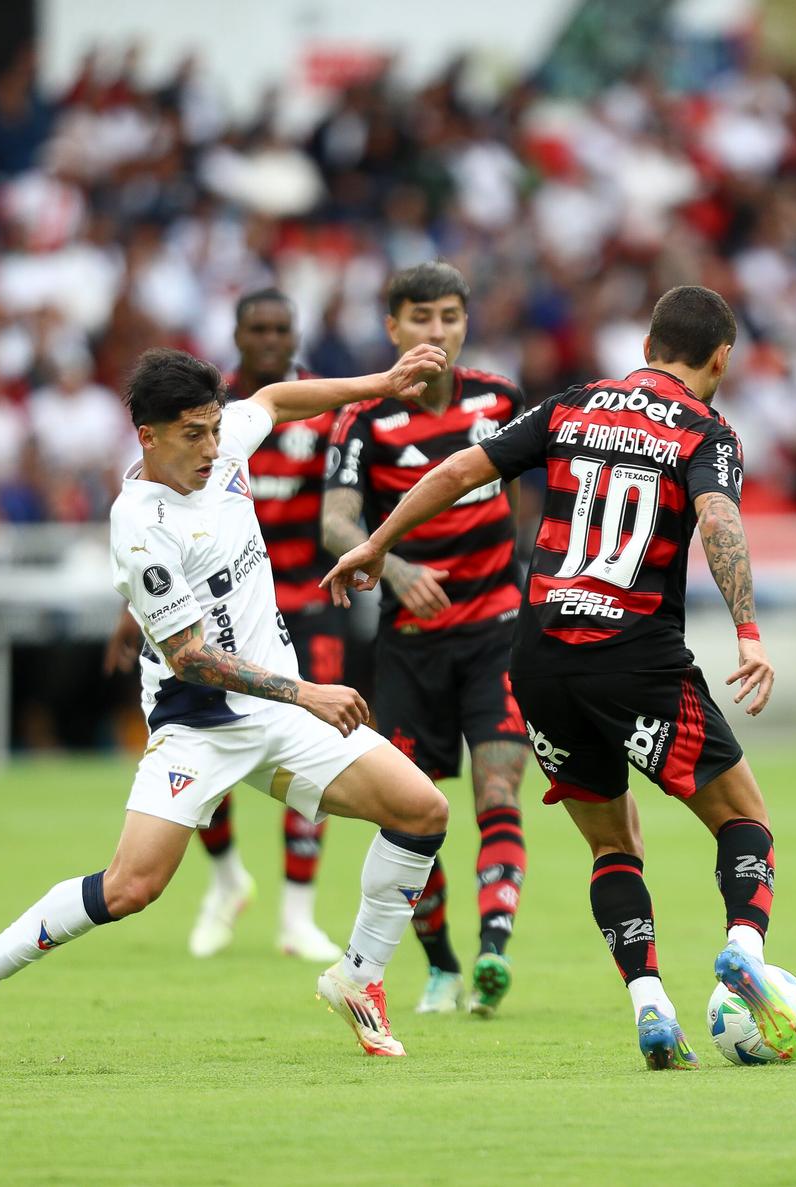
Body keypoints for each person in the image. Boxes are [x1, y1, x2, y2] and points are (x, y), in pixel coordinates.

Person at [0, 343, 451, 1066]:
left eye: (214, 428)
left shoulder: (223, 449)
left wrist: (380, 382)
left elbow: (274, 401)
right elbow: (190, 657)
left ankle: (358, 977)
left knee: (422, 811)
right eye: (193, 433)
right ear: (149, 436)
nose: (211, 445)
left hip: (282, 713)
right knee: (131, 887)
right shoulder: (141, 525)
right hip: (201, 722)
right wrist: (305, 691)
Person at [323, 285, 796, 1070]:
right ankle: (744, 947)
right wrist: (748, 632)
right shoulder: (706, 430)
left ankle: (650, 1004)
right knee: (743, 816)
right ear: (721, 358)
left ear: (647, 344)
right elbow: (719, 518)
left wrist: (378, 542)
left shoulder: (572, 405)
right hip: (636, 652)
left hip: (539, 654)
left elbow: (460, 470)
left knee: (613, 843)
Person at [105, 288, 343, 964]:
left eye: (281, 328)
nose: (271, 339)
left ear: (295, 335)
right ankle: (226, 876)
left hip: (305, 598)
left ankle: (297, 913)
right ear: (237, 336)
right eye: (258, 328)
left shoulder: (315, 410)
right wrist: (132, 612)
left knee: (318, 741)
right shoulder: (202, 409)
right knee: (211, 733)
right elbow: (165, 547)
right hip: (212, 611)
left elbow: (349, 493)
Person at [322, 261, 531, 1018]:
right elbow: (335, 522)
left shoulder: (500, 399)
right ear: (393, 327)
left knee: (499, 788)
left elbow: (523, 500)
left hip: (498, 631)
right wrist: (398, 565)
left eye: (448, 316)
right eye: (420, 317)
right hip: (411, 644)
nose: (435, 331)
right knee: (409, 808)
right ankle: (440, 964)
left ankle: (493, 951)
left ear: (465, 322)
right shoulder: (364, 419)